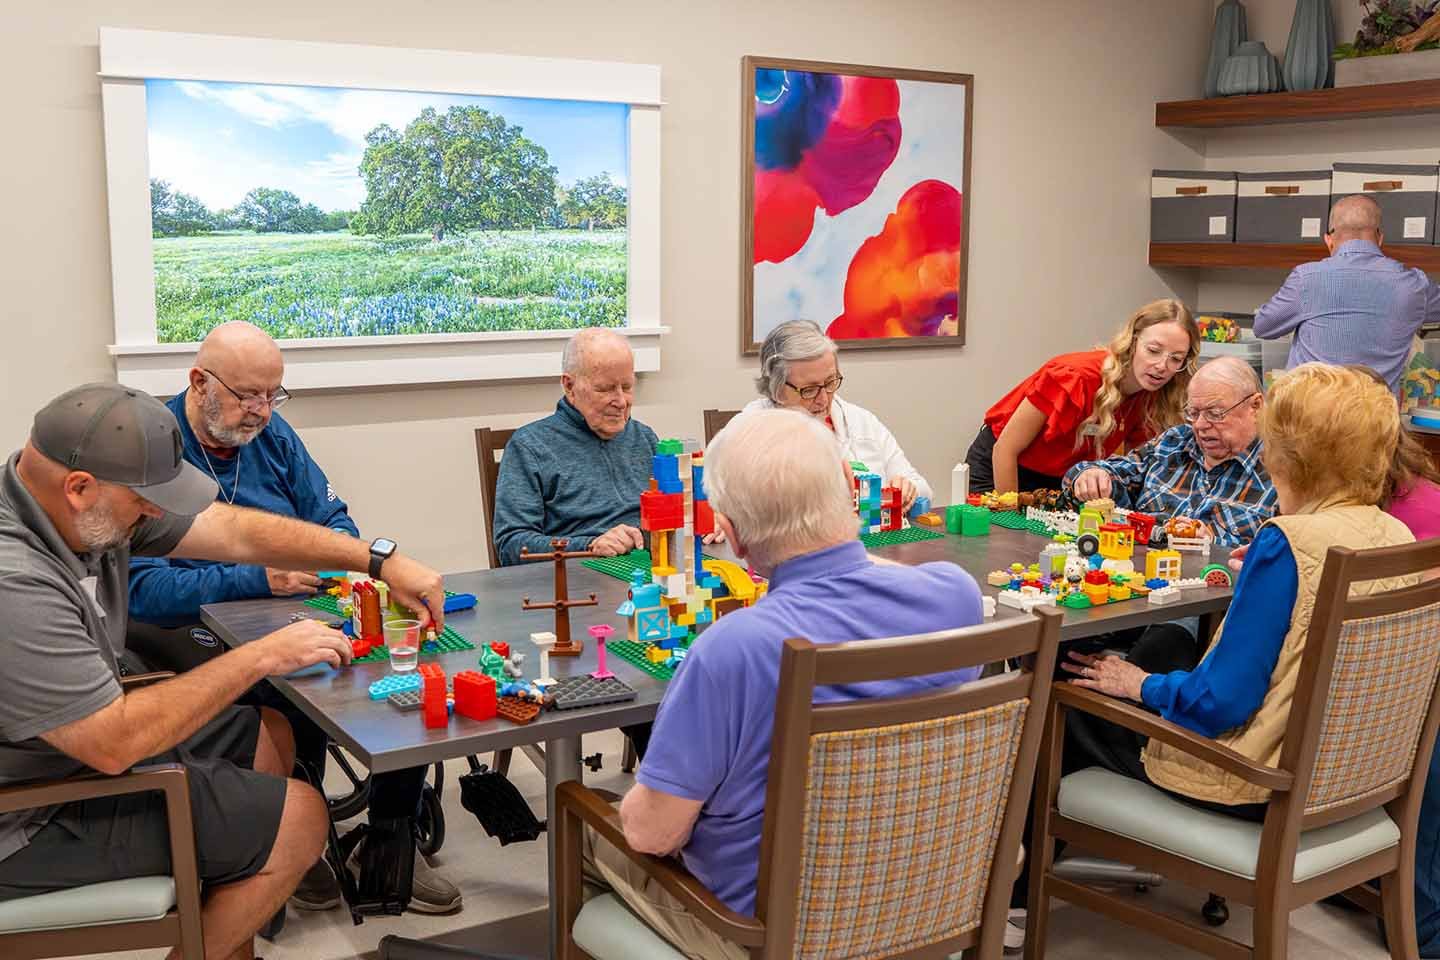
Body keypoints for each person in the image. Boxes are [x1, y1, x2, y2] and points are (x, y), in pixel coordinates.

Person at [0, 382, 444, 960]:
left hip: (60, 749)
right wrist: (262, 655)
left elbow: (234, 531)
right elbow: (112, 743)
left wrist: (380, 560)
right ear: (80, 488)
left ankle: (232, 930)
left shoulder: (73, 506)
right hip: (27, 817)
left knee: (268, 732)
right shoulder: (16, 582)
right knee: (301, 818)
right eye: (145, 501)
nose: (154, 514)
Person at [1005, 364, 1416, 952]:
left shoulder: (1287, 542)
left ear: (1293, 454)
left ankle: (1010, 900)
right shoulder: (1393, 536)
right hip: (1350, 779)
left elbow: (1219, 703)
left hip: (1256, 785)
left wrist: (1137, 684)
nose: (1266, 453)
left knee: (1056, 701)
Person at [590, 408, 985, 960]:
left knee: (588, 820)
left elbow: (653, 836)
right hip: (928, 903)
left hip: (769, 930)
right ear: (848, 485)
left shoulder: (734, 648)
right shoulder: (955, 596)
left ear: (731, 537)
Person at [124, 322, 461, 914]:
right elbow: (142, 590)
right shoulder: (153, 447)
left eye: (272, 395)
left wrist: (338, 561)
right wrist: (258, 577)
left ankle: (388, 837)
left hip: (293, 604)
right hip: (188, 625)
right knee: (296, 684)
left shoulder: (272, 434)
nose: (261, 411)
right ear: (199, 383)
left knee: (406, 668)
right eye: (247, 395)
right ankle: (294, 839)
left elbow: (334, 520)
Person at [966, 299, 1199, 494]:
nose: (1162, 366)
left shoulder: (1155, 393)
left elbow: (1136, 468)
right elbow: (1005, 449)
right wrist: (1010, 516)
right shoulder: (1073, 377)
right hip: (1003, 468)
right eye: (1154, 351)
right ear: (1133, 341)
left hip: (1061, 480)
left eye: (1176, 358)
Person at [1064, 357, 1276, 548]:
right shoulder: (1174, 443)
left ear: (1255, 406)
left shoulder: (1281, 471)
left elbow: (1280, 558)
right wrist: (1091, 475)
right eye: (1193, 413)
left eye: (1215, 413)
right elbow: (1113, 473)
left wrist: (1213, 542)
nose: (1200, 425)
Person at [493, 328, 659, 565]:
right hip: (580, 574)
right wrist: (589, 546)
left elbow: (677, 515)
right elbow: (511, 546)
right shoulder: (529, 446)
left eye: (627, 387)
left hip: (650, 566)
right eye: (605, 389)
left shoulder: (645, 438)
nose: (621, 402)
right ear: (569, 386)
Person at [1253, 194, 1440, 393]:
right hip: (1377, 411)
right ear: (1379, 238)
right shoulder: (1414, 285)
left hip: (1311, 409)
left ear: (1329, 240)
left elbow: (1263, 326)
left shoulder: (1306, 279)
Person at [742, 320, 931, 510]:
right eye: (809, 390)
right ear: (777, 390)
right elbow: (735, 506)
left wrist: (908, 489)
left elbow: (923, 489)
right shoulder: (748, 430)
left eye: (830, 382)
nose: (824, 399)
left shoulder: (861, 421)